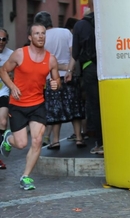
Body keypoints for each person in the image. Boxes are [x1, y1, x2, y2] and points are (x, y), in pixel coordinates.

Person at [0, 23, 60, 190]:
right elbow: (3, 70)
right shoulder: (20, 54)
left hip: (37, 105)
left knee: (37, 140)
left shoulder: (51, 59)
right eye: (37, 34)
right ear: (30, 37)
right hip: (18, 105)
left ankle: (25, 176)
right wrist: (12, 86)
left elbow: (57, 80)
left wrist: (56, 84)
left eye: (43, 34)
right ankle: (8, 138)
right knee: (20, 143)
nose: (40, 36)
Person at [34, 11, 86, 150]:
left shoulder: (41, 38)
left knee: (55, 110)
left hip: (52, 78)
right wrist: (69, 69)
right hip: (70, 75)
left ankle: (55, 141)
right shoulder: (65, 32)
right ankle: (79, 138)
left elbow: (40, 60)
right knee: (75, 107)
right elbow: (73, 52)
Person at [65, 0, 103, 155]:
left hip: (89, 69)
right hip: (108, 68)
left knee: (95, 107)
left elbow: (75, 53)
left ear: (89, 5)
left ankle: (101, 143)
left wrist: (69, 71)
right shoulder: (107, 21)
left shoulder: (80, 25)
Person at [0, 29, 13, 170]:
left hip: (3, 92)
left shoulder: (11, 55)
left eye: (4, 39)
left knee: (3, 121)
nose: (1, 42)